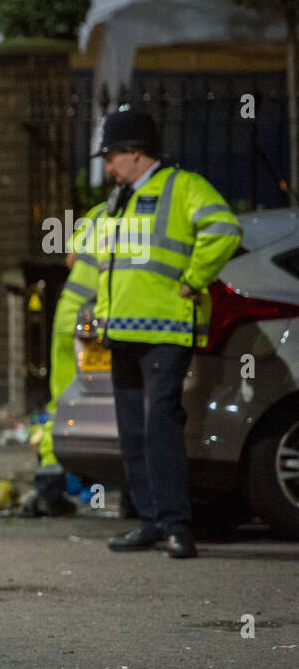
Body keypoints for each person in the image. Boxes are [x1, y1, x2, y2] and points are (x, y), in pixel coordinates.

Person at [92, 106, 240, 559]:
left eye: (111, 155)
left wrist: (193, 279)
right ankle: (150, 522)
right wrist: (103, 318)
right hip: (123, 332)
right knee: (133, 432)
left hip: (166, 330)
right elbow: (108, 269)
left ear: (135, 152)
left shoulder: (183, 186)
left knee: (160, 428)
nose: (106, 165)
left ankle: (177, 526)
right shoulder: (120, 200)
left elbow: (224, 229)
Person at [22, 200, 103, 517]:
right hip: (107, 320)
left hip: (70, 314)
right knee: (114, 402)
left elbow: (71, 260)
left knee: (62, 403)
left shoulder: (98, 213)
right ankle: (124, 490)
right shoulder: (153, 215)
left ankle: (49, 485)